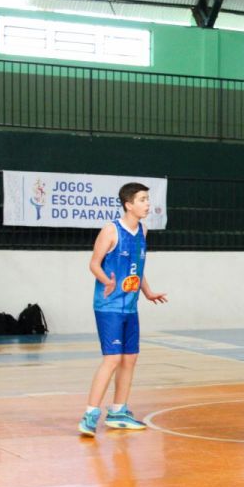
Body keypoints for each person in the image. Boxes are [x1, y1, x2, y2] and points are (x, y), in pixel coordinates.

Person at [78, 182, 167, 436]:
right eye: (142, 199)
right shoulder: (111, 231)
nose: (147, 204)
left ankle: (118, 411)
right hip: (109, 306)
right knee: (113, 359)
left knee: (130, 358)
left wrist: (147, 291)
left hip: (130, 307)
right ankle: (89, 414)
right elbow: (94, 264)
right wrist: (107, 281)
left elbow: (137, 268)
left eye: (148, 199)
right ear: (129, 204)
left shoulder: (143, 231)